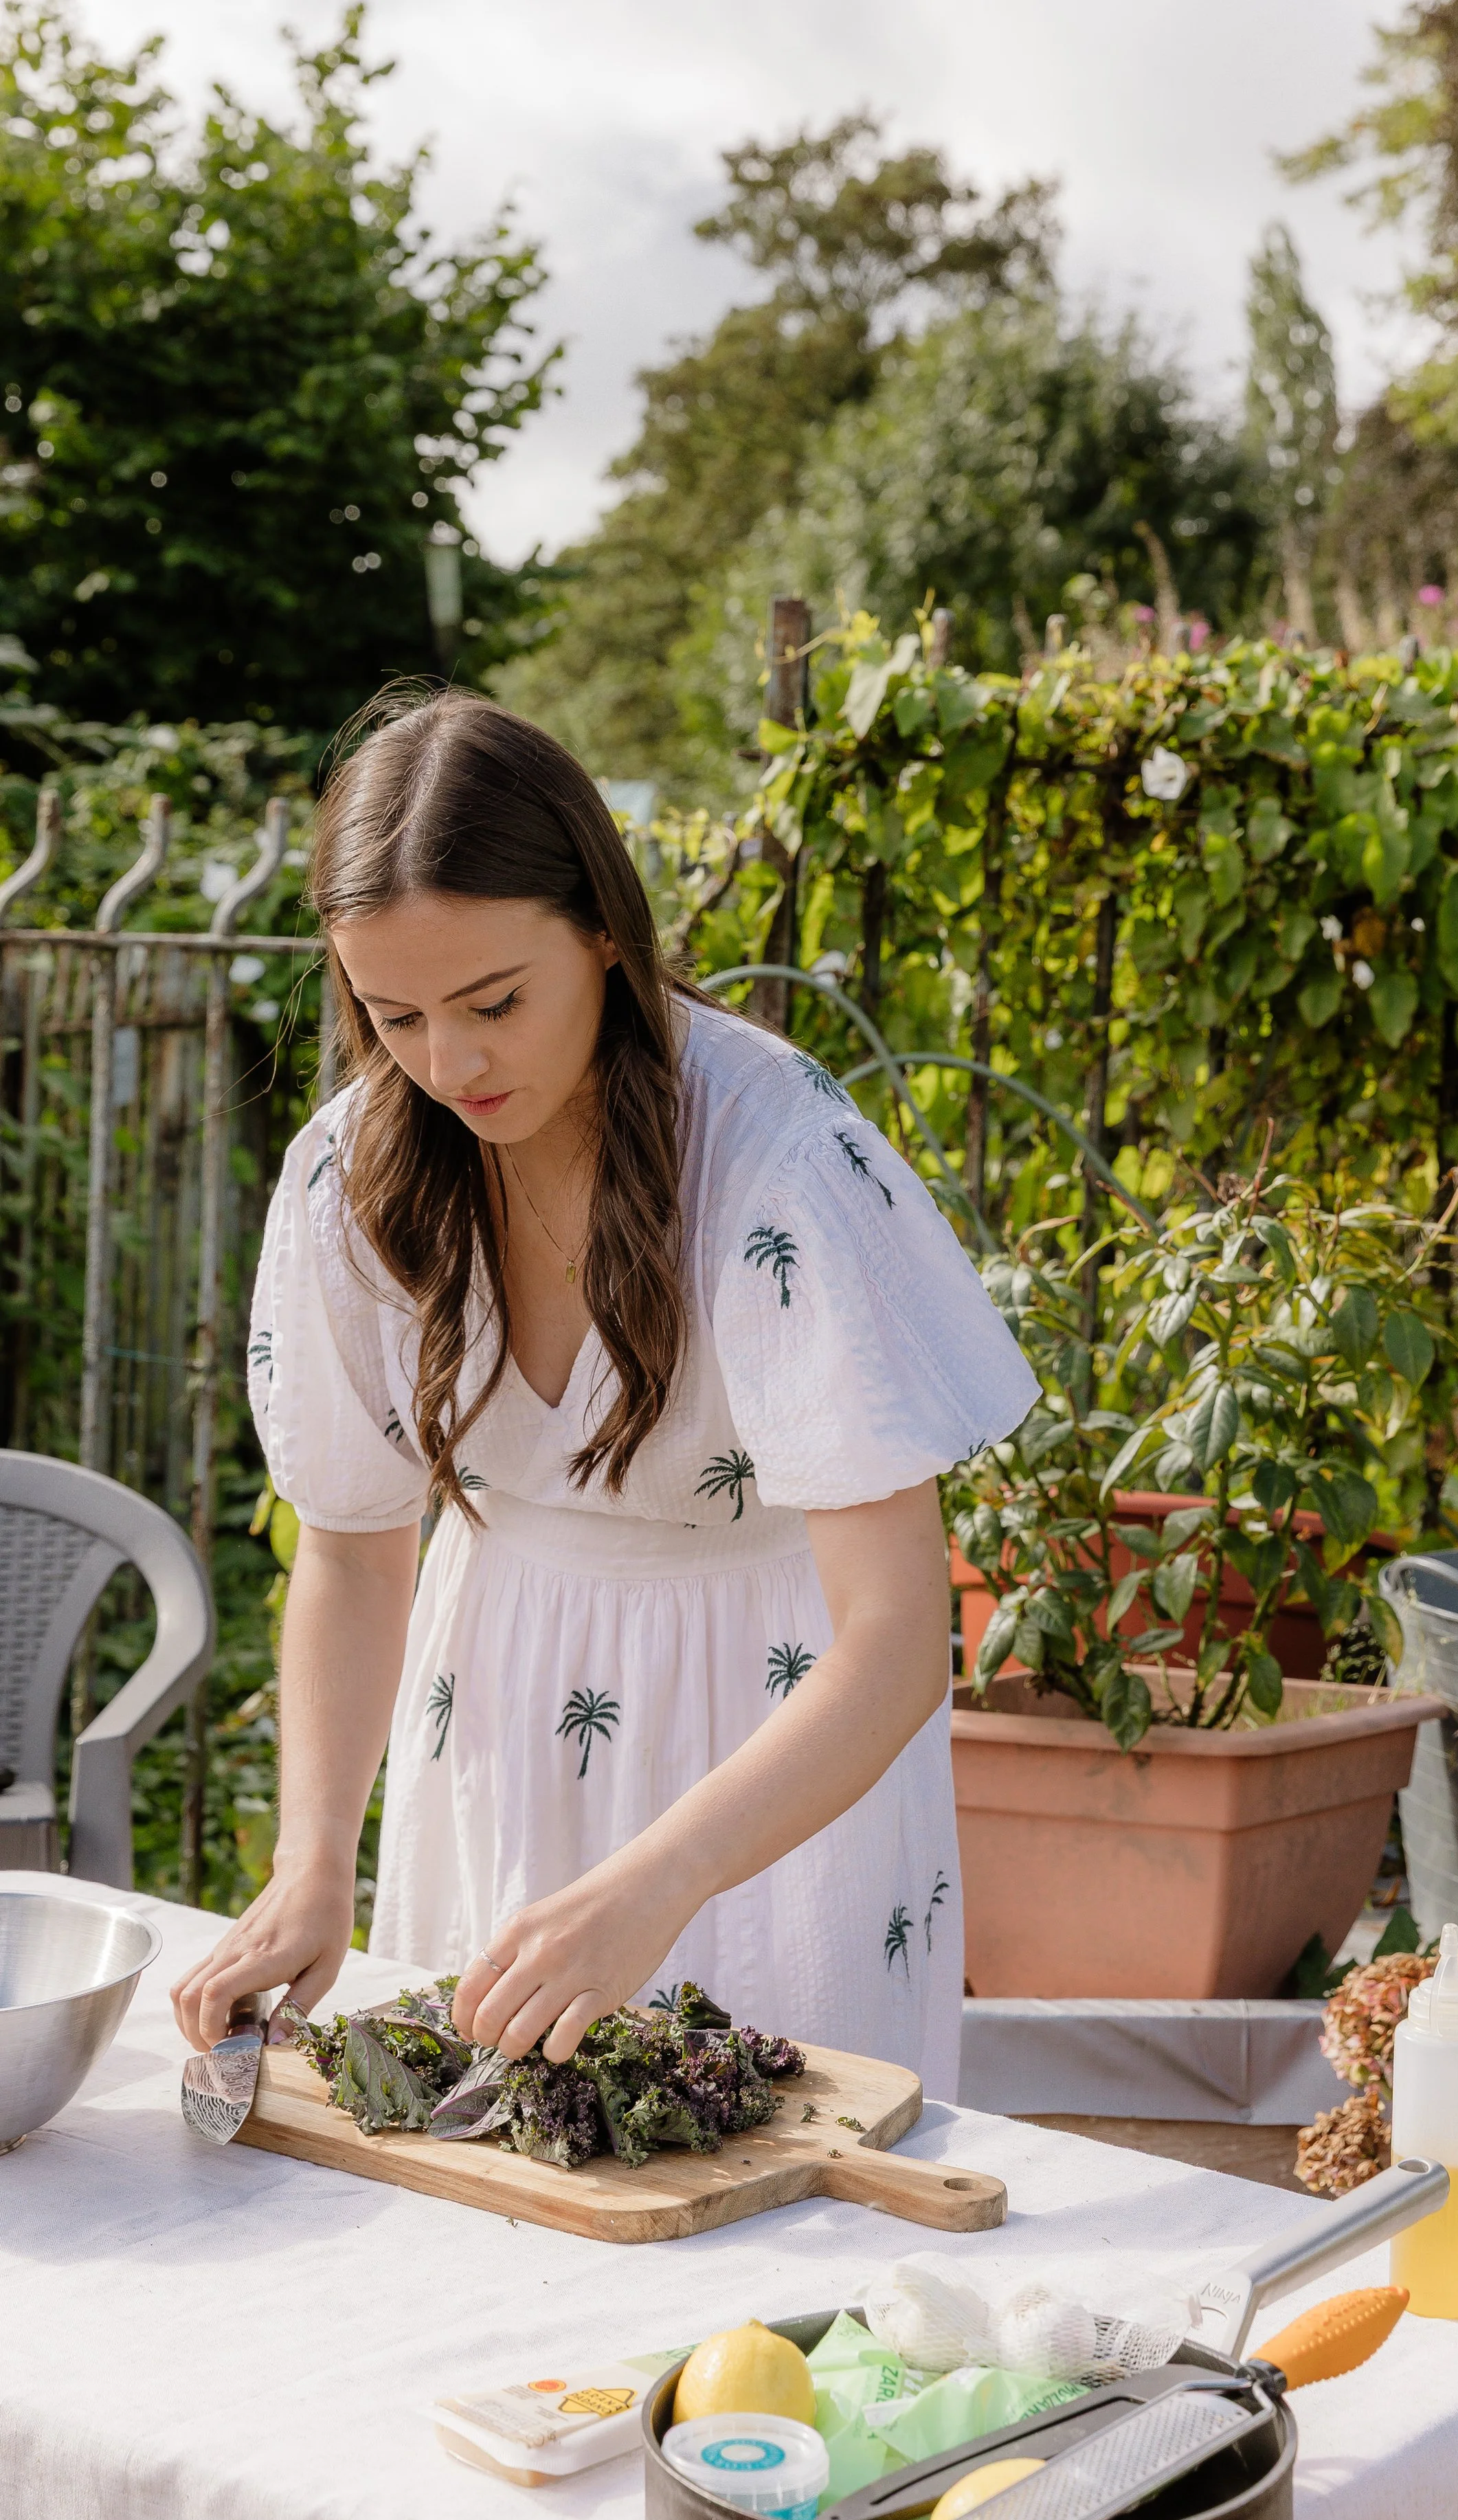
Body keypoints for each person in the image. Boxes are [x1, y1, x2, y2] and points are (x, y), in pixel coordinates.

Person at [172, 690, 1035, 2096]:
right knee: (489, 2173)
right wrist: (309, 1858)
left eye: (493, 1003)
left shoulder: (775, 1162)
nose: (448, 1065)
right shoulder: (352, 1176)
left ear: (601, 933)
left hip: (775, 1739)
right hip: (498, 1703)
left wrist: (668, 1876)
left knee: (775, 2203)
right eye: (394, 1015)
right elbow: (349, 1544)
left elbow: (892, 1639)